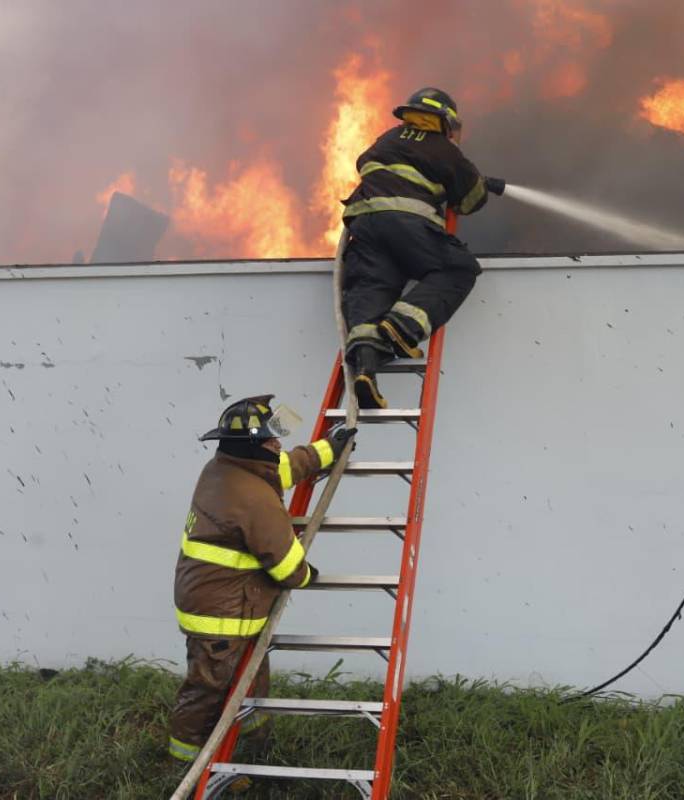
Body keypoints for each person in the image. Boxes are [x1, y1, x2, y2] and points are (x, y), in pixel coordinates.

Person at [168, 395, 356, 763]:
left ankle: (247, 750)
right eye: (271, 439)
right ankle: (186, 762)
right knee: (209, 690)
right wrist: (307, 575)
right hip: (221, 617)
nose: (278, 443)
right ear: (255, 446)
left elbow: (285, 467)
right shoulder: (253, 498)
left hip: (226, 604)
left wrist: (327, 450)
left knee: (249, 682)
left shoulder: (227, 468)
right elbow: (287, 568)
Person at [340, 86, 505, 410]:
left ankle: (365, 373)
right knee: (458, 269)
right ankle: (403, 328)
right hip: (407, 225)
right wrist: (481, 185)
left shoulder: (388, 138)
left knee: (372, 289)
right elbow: (469, 200)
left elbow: (368, 164)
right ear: (445, 121)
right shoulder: (444, 148)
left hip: (364, 226)